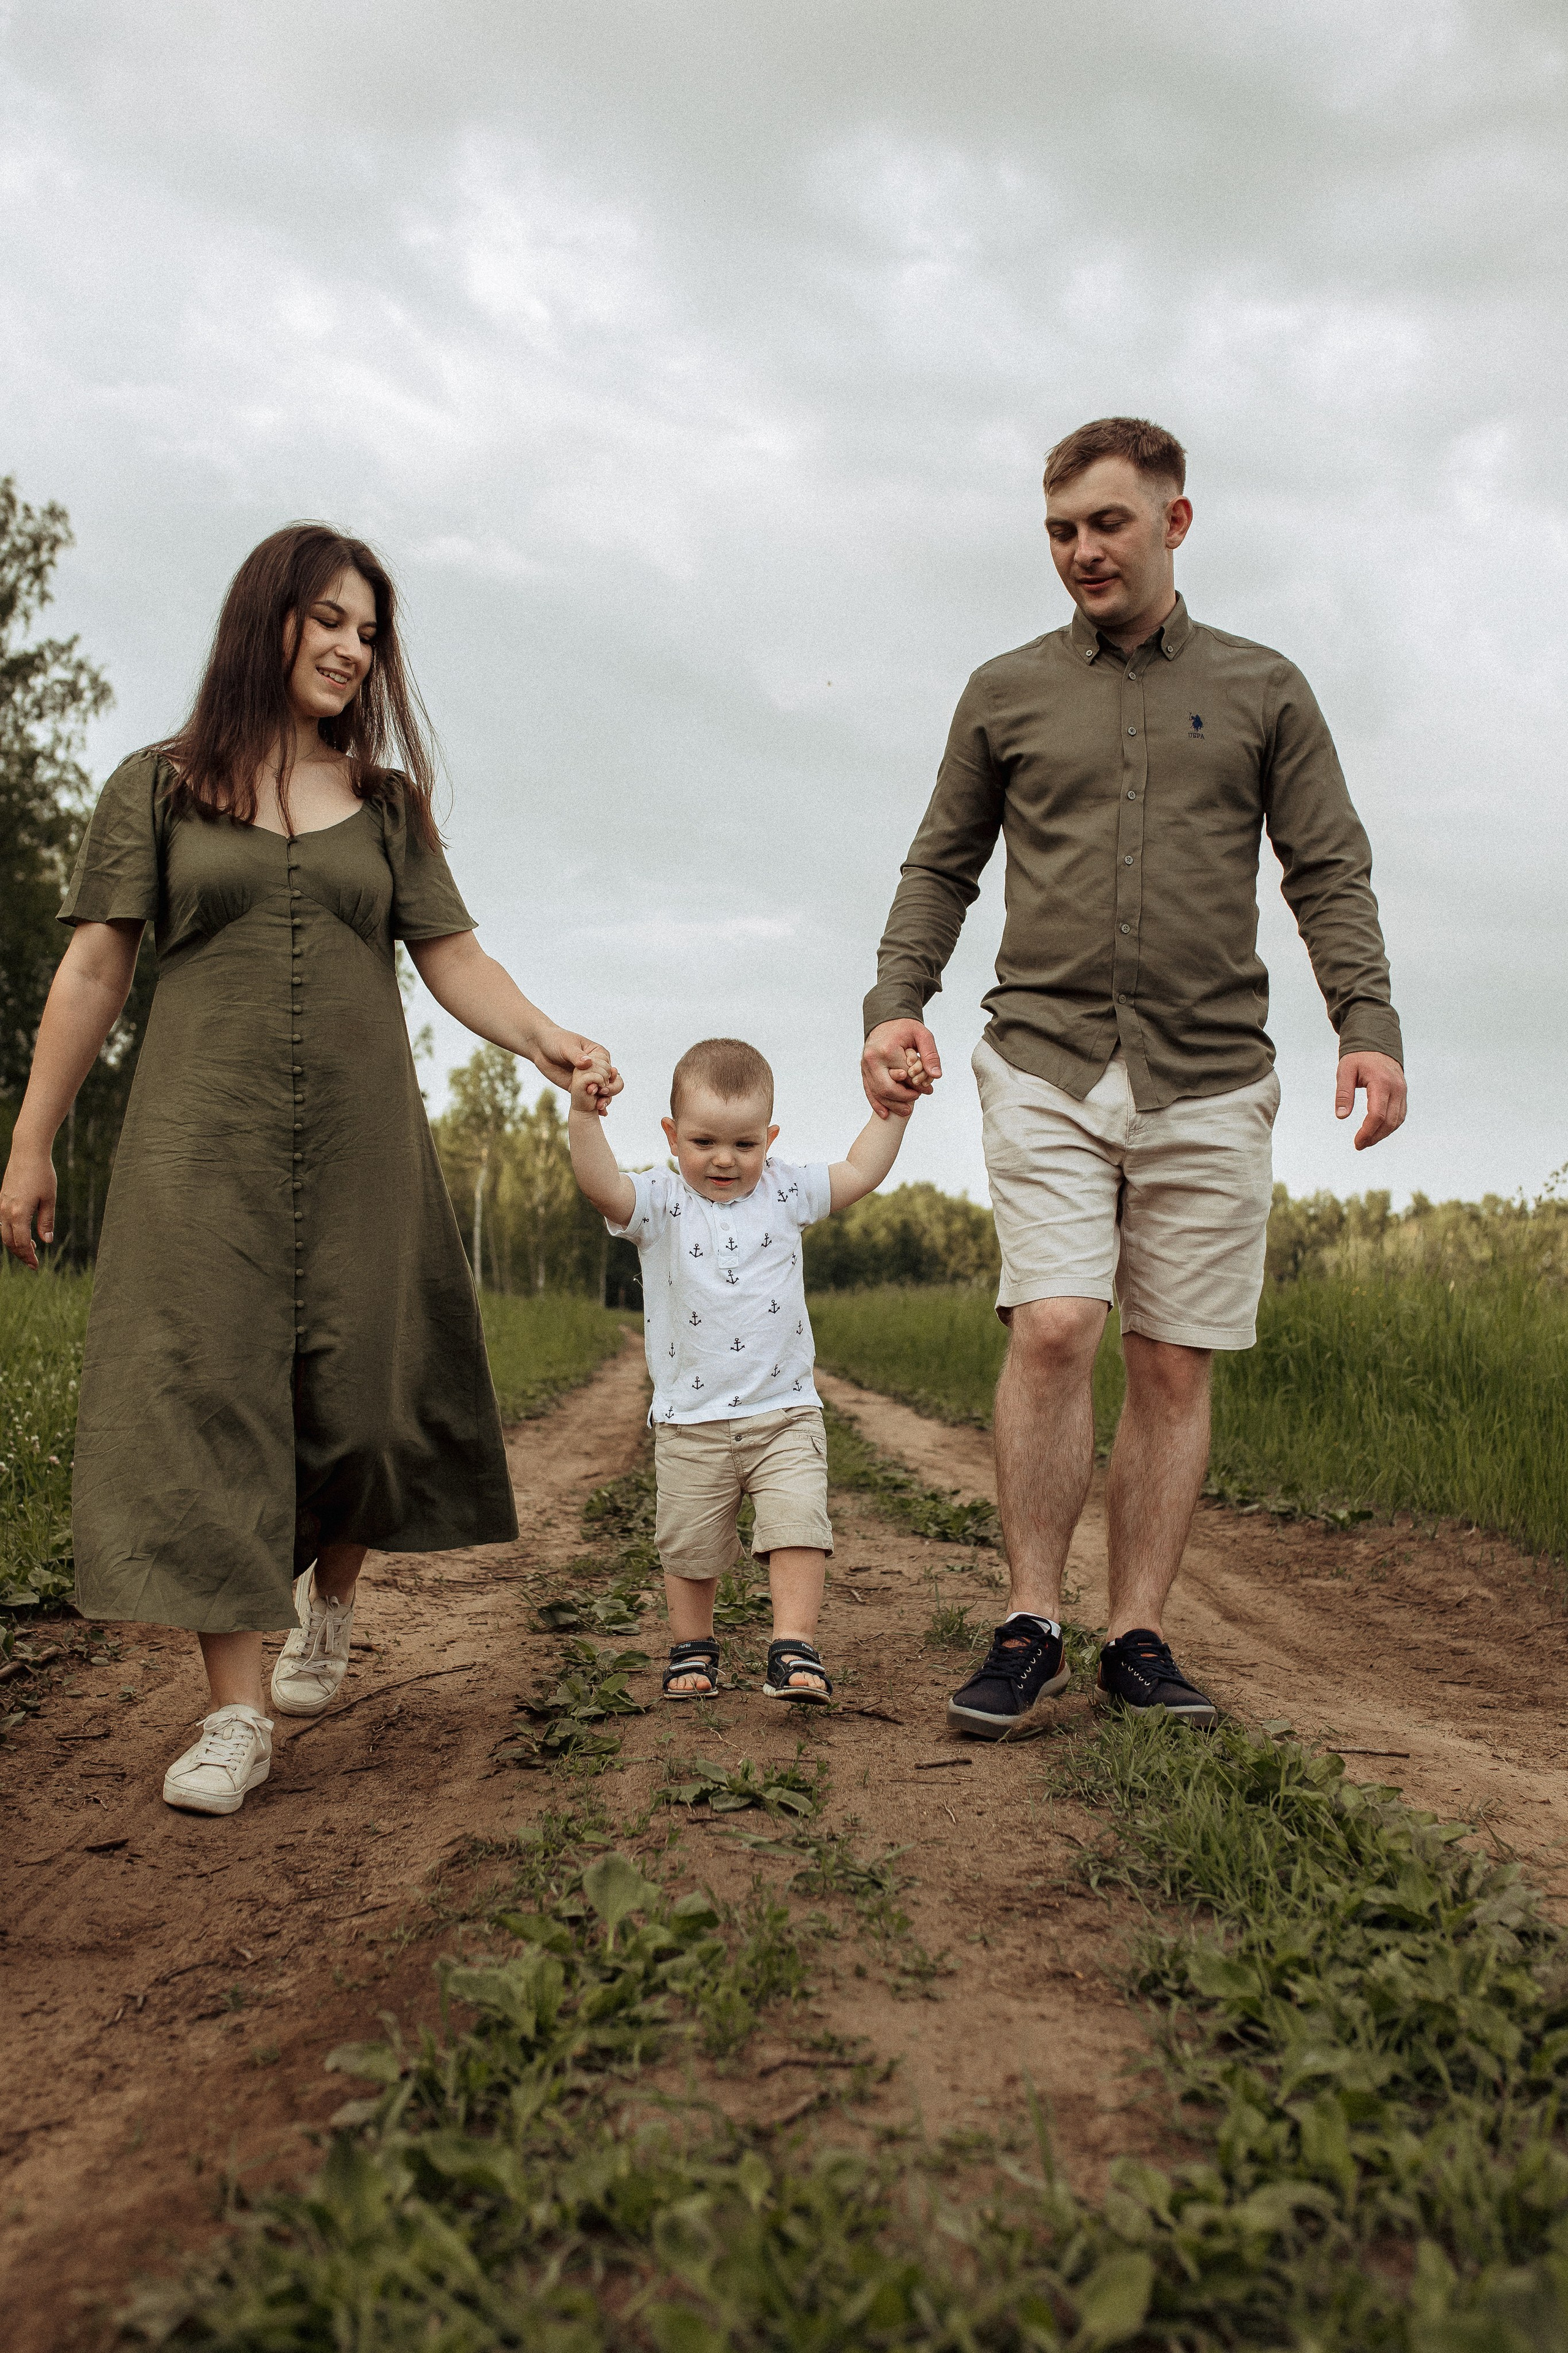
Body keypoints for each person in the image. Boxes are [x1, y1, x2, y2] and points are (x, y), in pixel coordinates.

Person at [0, 523, 619, 1815]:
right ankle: (233, 1714)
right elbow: (97, 969)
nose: (352, 648)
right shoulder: (157, 787)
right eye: (329, 620)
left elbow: (451, 958)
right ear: (266, 621)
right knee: (203, 1400)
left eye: (369, 632)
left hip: (361, 1145)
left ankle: (328, 1598)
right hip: (194, 1148)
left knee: (374, 1404)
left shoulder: (387, 807)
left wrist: (546, 1038)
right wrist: (33, 1135)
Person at [860, 416, 1406, 1739]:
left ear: (1172, 521)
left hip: (1211, 1073)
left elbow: (1323, 865)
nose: (1079, 552)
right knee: (1053, 1324)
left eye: (1105, 524)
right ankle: (1030, 1620)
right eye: (1058, 530)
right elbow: (942, 863)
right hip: (1041, 1053)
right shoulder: (1003, 690)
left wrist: (1365, 1022)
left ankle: (1138, 1637)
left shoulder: (1266, 688)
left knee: (1168, 1363)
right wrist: (895, 1002)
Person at [567, 1035, 918, 1704]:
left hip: (784, 1410)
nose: (724, 1160)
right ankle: (692, 1643)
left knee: (796, 1523)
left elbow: (859, 1170)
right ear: (671, 1136)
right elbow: (601, 1187)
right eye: (703, 1142)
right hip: (691, 1421)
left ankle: (794, 1645)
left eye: (745, 1145)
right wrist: (585, 1117)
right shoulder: (660, 1202)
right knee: (690, 1544)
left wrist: (892, 1113)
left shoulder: (787, 1190)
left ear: (770, 1137)